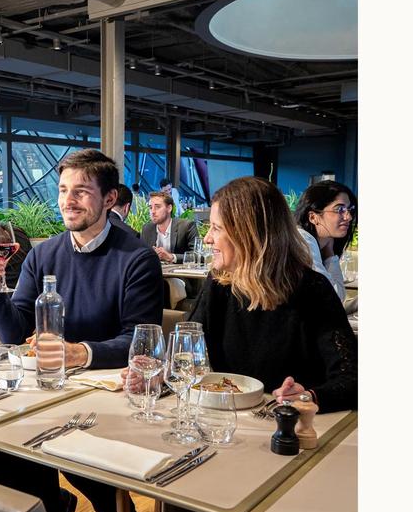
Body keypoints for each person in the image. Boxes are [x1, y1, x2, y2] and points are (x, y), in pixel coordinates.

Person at [0, 148, 163, 512]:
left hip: (110, 389)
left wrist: (82, 352)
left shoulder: (137, 259)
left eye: (81, 191)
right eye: (63, 190)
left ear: (109, 199)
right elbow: (15, 333)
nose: (68, 201)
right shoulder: (44, 253)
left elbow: (141, 339)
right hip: (51, 386)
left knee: (52, 436)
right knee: (6, 440)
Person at [193, 176, 357, 412]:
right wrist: (153, 373)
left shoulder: (312, 290)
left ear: (248, 235)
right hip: (222, 420)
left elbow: (352, 379)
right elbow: (184, 353)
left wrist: (309, 396)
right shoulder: (220, 283)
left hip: (291, 428)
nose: (207, 238)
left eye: (217, 228)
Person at [294, 181, 358, 302]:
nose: (348, 216)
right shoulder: (303, 241)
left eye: (350, 209)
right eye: (340, 209)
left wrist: (329, 251)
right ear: (313, 217)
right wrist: (330, 255)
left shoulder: (319, 243)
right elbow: (331, 299)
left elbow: (336, 298)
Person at [141, 191, 198, 264]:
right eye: (150, 207)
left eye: (157, 207)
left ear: (169, 208)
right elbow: (141, 255)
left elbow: (198, 255)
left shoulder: (186, 226)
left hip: (179, 274)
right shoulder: (147, 229)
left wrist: (171, 257)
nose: (152, 211)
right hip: (154, 272)